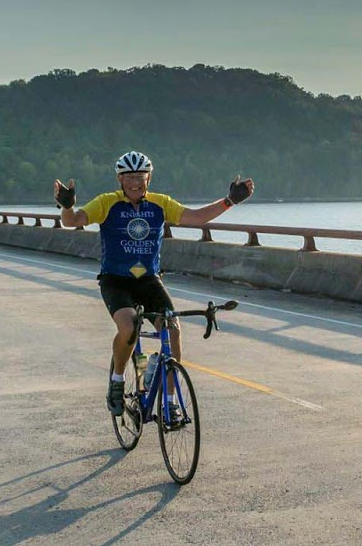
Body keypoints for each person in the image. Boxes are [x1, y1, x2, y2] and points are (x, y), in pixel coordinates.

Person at [54, 151, 254, 416]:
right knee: (129, 327)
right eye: (129, 177)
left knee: (172, 330)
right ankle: (117, 380)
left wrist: (230, 201)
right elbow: (72, 221)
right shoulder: (107, 202)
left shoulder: (160, 204)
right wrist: (67, 206)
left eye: (140, 177)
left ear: (149, 178)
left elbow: (197, 217)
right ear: (120, 179)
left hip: (148, 280)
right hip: (116, 281)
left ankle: (169, 401)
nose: (135, 183)